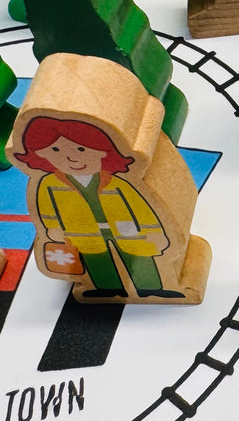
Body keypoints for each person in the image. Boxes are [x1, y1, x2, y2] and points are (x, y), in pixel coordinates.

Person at [15, 116, 179, 298]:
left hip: (127, 231)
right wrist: (53, 229)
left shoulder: (118, 182)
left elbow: (141, 208)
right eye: (55, 150)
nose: (70, 157)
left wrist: (154, 231)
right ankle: (107, 289)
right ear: (41, 155)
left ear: (103, 152)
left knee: (139, 256)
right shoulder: (49, 184)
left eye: (81, 149)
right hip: (83, 232)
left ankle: (150, 288)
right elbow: (47, 210)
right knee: (95, 260)